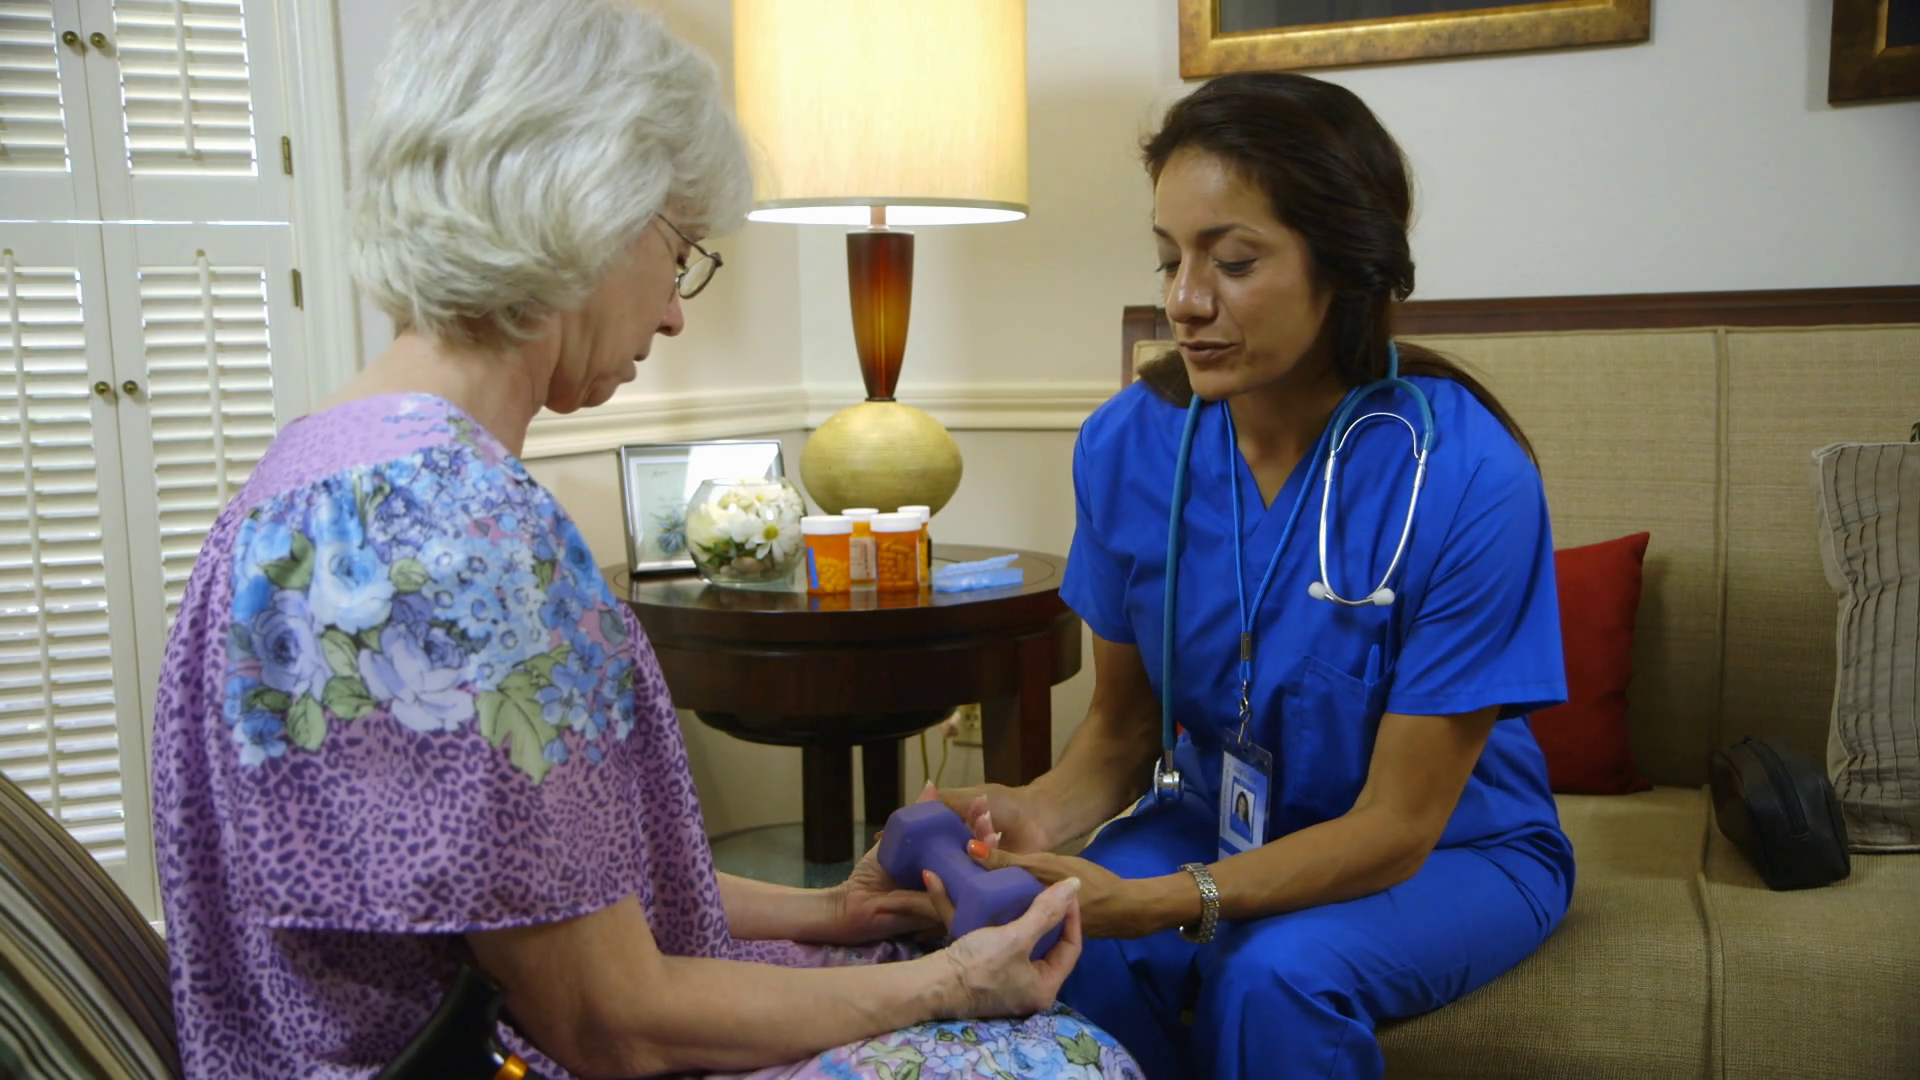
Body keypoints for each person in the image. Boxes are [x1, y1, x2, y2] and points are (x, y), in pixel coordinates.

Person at [147, 2, 1144, 1077]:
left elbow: (544, 900)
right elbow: (613, 1023)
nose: (674, 313)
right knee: (1060, 1054)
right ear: (588, 213)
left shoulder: (303, 475)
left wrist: (832, 912)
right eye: (679, 254)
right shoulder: (478, 536)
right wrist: (955, 983)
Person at [933, 73, 1576, 1080]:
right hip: (1213, 822)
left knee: (1275, 977)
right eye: (1170, 258)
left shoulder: (1468, 479)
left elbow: (1397, 827)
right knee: (1064, 942)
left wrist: (1163, 898)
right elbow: (1121, 731)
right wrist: (1035, 816)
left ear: (1346, 266)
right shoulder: (1129, 447)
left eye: (1232, 262)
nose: (1184, 302)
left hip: (1453, 848)